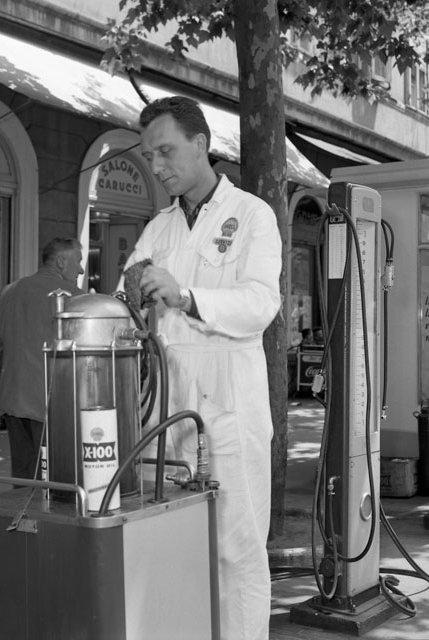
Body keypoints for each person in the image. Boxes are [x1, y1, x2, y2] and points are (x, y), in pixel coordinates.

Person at [122, 96, 282, 640]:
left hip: (227, 401)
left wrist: (187, 296)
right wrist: (129, 293)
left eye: (165, 151)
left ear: (200, 144)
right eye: (149, 155)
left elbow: (260, 303)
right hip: (167, 403)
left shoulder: (252, 215)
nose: (156, 165)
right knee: (167, 538)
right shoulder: (159, 226)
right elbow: (129, 295)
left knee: (236, 549)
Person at [0, 237, 84, 480]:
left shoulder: (8, 293)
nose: (81, 269)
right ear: (61, 261)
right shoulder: (75, 298)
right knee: (57, 476)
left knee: (24, 473)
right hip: (56, 402)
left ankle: (24, 505)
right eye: (78, 261)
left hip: (14, 399)